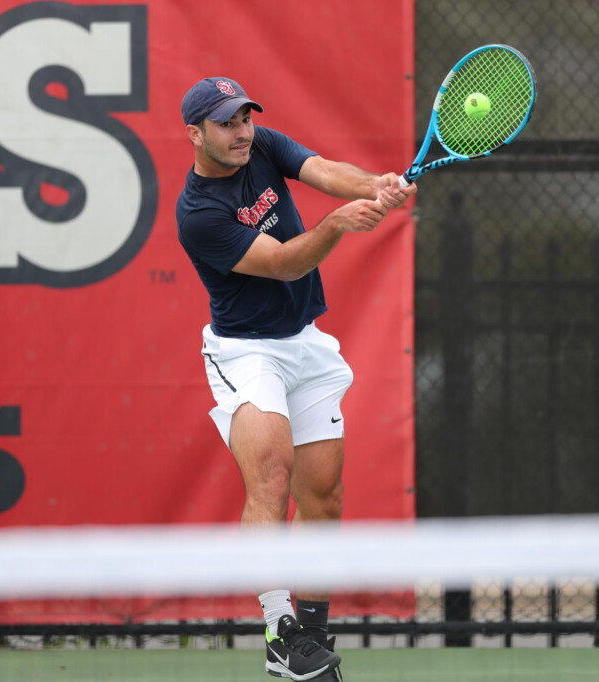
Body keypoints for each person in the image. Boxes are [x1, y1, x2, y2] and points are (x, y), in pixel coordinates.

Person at [176, 76, 416, 681]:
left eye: (244, 119)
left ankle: (309, 638)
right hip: (245, 353)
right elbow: (283, 265)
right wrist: (339, 224)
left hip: (304, 343)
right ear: (195, 133)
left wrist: (374, 185)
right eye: (226, 123)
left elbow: (321, 168)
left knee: (324, 492)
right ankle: (279, 631)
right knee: (272, 472)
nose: (240, 132)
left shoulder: (260, 147)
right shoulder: (198, 214)